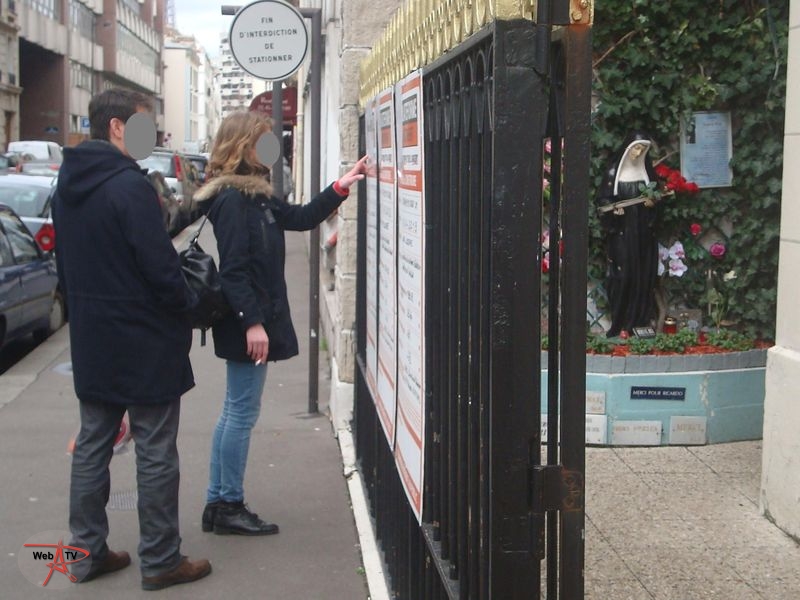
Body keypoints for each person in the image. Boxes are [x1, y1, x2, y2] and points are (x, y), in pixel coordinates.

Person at [52, 88, 211, 590]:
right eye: (144, 127)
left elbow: (68, 265)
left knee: (93, 447)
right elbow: (162, 271)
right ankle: (162, 560)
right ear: (117, 127)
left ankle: (84, 554)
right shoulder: (129, 187)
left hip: (94, 339)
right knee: (156, 449)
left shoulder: (68, 185)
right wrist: (189, 305)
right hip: (144, 340)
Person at [195, 111, 368, 535]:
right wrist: (253, 324)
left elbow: (299, 217)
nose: (271, 149)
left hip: (249, 319)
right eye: (264, 141)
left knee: (234, 411)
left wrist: (340, 186)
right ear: (242, 146)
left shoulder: (255, 195)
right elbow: (234, 270)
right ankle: (228, 504)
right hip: (245, 323)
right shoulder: (234, 201)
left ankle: (218, 503)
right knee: (240, 413)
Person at [595, 132, 660, 337]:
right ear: (627, 149)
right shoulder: (614, 173)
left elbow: (658, 203)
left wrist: (652, 205)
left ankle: (639, 322)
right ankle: (620, 322)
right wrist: (613, 210)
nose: (638, 152)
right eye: (635, 148)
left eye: (642, 149)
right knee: (623, 276)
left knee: (643, 276)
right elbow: (603, 202)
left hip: (642, 236)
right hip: (622, 235)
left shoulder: (646, 174)